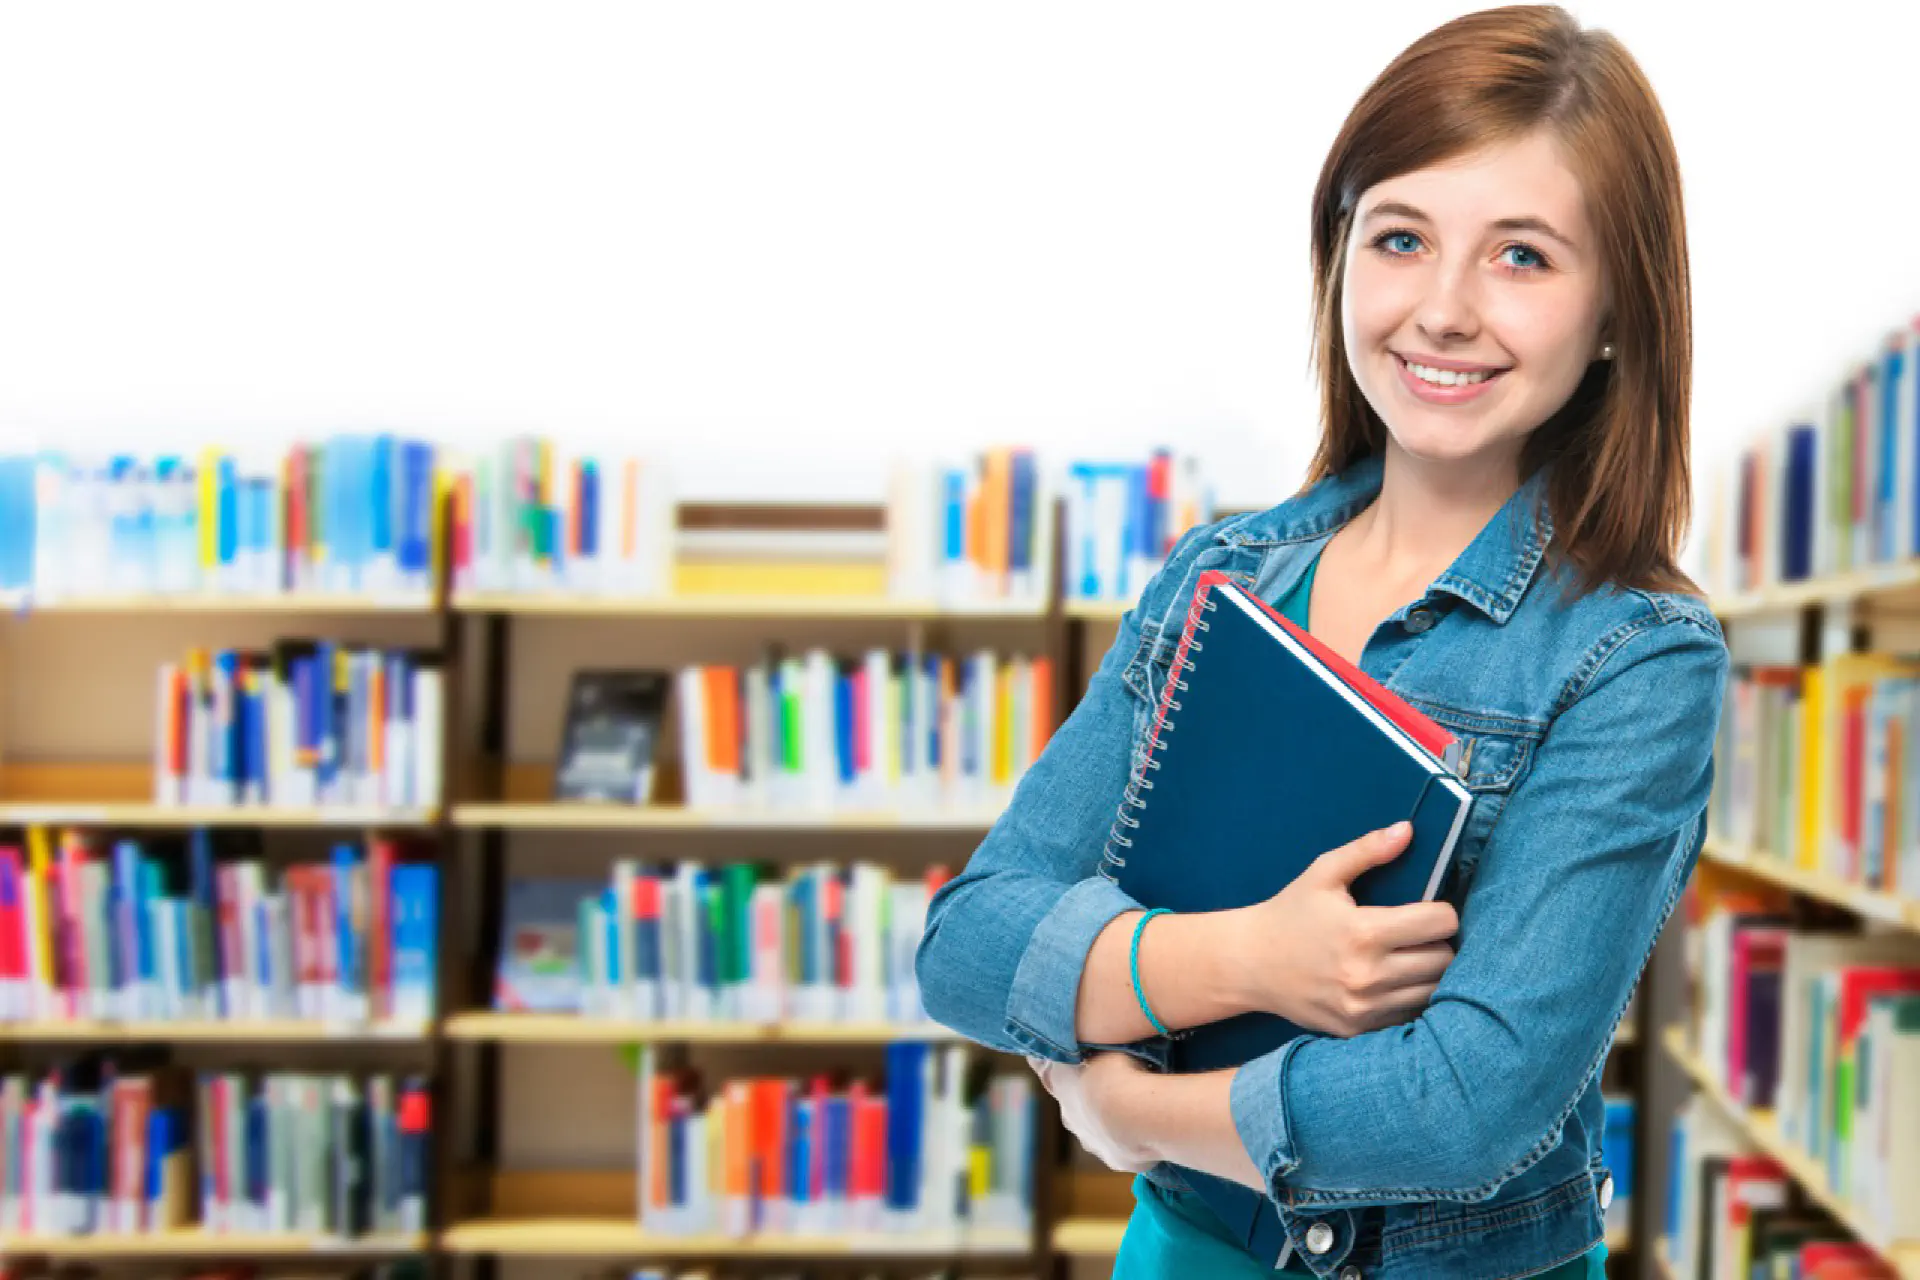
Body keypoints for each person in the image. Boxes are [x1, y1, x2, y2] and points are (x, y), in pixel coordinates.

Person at [914, 6, 1729, 1277]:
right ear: (1340, 260)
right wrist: (1248, 957)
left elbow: (1472, 1103)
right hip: (1183, 1250)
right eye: (1401, 238)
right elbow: (968, 941)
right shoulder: (1218, 578)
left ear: (1619, 310)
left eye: (1521, 256)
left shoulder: (1635, 657)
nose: (1444, 310)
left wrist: (1134, 1107)